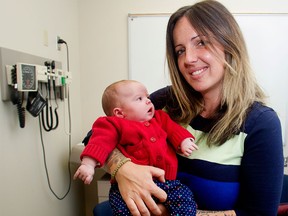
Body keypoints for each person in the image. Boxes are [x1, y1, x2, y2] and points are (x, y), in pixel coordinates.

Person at [95, 0, 284, 216]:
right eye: (180, 51)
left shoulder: (261, 123)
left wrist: (170, 212)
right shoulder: (167, 100)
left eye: (201, 42)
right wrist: (124, 170)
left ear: (229, 45)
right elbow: (97, 134)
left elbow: (258, 214)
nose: (188, 59)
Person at [74, 80, 198, 215]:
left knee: (185, 198)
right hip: (127, 189)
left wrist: (184, 141)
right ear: (119, 113)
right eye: (139, 98)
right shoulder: (113, 124)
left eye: (148, 97)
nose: (148, 101)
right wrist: (88, 164)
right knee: (124, 210)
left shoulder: (160, 117)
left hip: (166, 182)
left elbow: (173, 129)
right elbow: (99, 141)